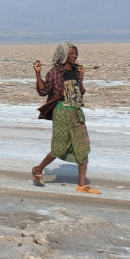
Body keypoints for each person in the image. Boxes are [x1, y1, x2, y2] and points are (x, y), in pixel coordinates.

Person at [31, 41, 100, 194]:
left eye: (76, 53)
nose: (75, 56)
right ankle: (38, 169)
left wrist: (81, 77)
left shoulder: (75, 71)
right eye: (72, 53)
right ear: (64, 54)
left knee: (83, 146)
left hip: (77, 112)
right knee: (59, 147)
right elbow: (43, 91)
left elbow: (80, 92)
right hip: (62, 112)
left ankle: (82, 185)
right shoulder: (54, 72)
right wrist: (38, 73)